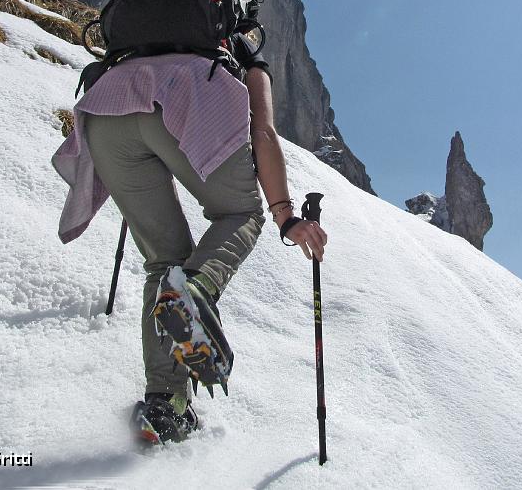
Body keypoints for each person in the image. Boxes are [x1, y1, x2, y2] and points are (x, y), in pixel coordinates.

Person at [52, 29, 328, 445]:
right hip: (184, 100)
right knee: (241, 211)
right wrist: (286, 217)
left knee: (165, 261)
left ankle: (164, 406)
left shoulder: (142, 40)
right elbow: (264, 133)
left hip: (104, 112)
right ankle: (195, 290)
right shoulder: (239, 51)